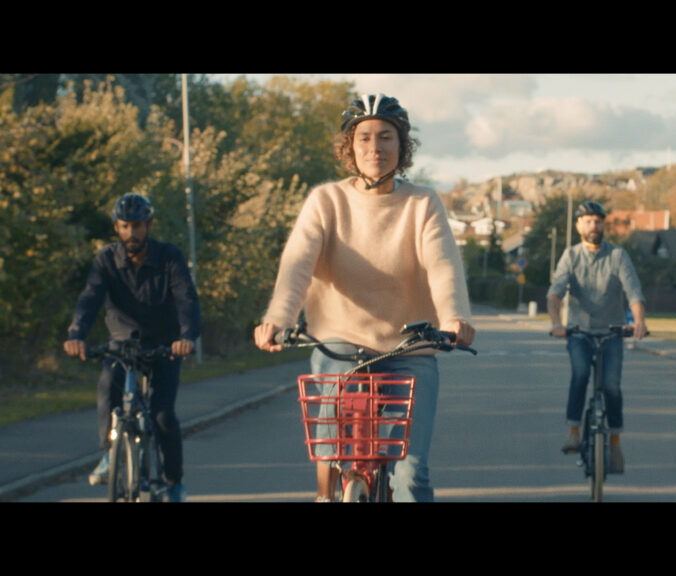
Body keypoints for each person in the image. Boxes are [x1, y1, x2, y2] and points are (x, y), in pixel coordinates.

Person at [253, 93, 474, 503]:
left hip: (411, 345)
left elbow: (442, 264)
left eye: (386, 137)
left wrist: (454, 317)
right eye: (365, 138)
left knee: (411, 473)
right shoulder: (327, 201)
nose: (376, 148)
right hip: (342, 341)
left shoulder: (423, 202)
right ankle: (326, 495)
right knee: (332, 444)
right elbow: (298, 262)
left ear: (402, 146)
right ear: (350, 147)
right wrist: (278, 318)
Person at [64, 193, 200, 502]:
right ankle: (109, 454)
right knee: (107, 388)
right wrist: (76, 334)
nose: (131, 233)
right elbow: (90, 298)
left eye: (137, 225)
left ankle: (174, 482)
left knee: (162, 416)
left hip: (165, 345)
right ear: (116, 227)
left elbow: (186, 298)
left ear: (148, 225)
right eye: (125, 226)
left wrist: (187, 337)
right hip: (122, 343)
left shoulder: (169, 257)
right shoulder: (106, 259)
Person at [547, 200, 647, 474]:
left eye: (598, 221)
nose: (594, 225)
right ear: (579, 225)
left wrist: (639, 321)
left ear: (604, 225)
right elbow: (555, 293)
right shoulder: (571, 256)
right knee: (580, 374)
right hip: (579, 333)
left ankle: (614, 442)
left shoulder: (618, 255)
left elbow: (634, 292)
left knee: (611, 385)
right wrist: (556, 323)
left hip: (612, 333)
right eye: (589, 221)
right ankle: (573, 431)